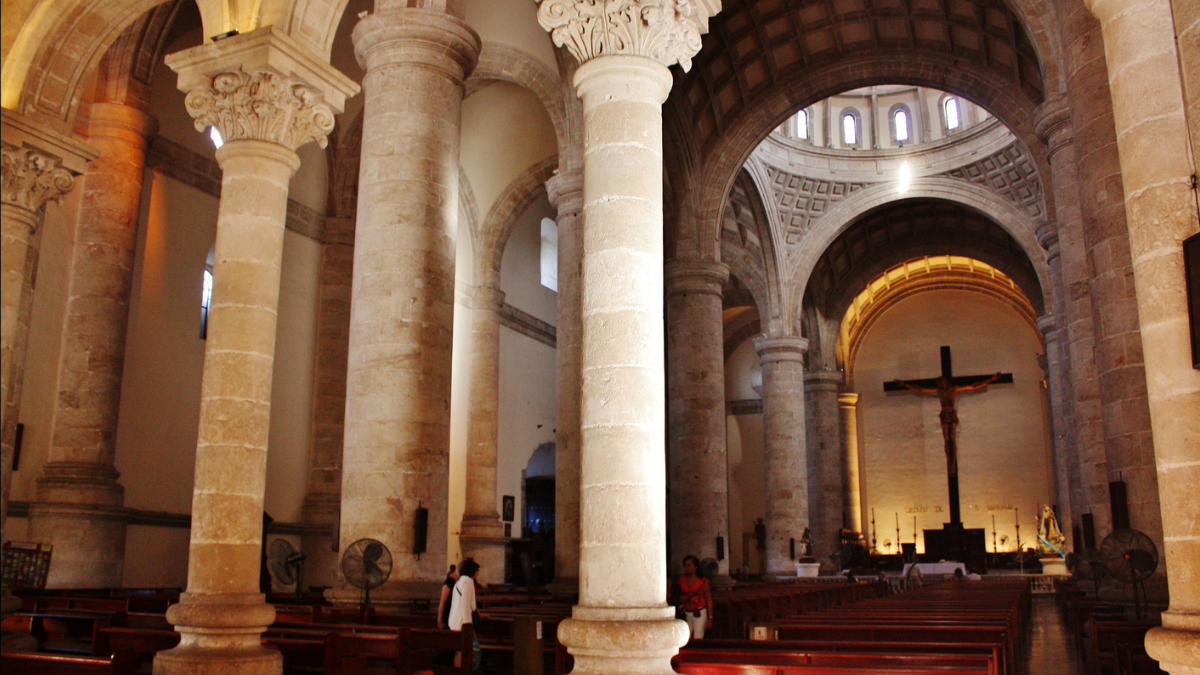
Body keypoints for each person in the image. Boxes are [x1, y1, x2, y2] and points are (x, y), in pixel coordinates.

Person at [449, 558, 482, 670]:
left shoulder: (459, 582)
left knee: (458, 651)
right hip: (462, 623)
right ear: (472, 571)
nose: (478, 573)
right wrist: (468, 625)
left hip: (454, 621)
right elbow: (466, 605)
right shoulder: (468, 582)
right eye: (477, 570)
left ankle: (457, 672)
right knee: (463, 651)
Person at [676, 555, 714, 640]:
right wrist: (681, 599)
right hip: (687, 612)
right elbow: (678, 595)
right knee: (685, 638)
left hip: (699, 612)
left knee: (698, 637)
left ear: (695, 566)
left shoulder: (703, 581)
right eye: (685, 565)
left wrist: (710, 618)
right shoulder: (682, 579)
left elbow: (708, 598)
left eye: (688, 565)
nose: (686, 567)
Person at [437, 564, 459, 629]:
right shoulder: (449, 582)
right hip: (448, 614)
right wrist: (439, 620)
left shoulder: (457, 581)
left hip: (453, 614)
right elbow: (442, 603)